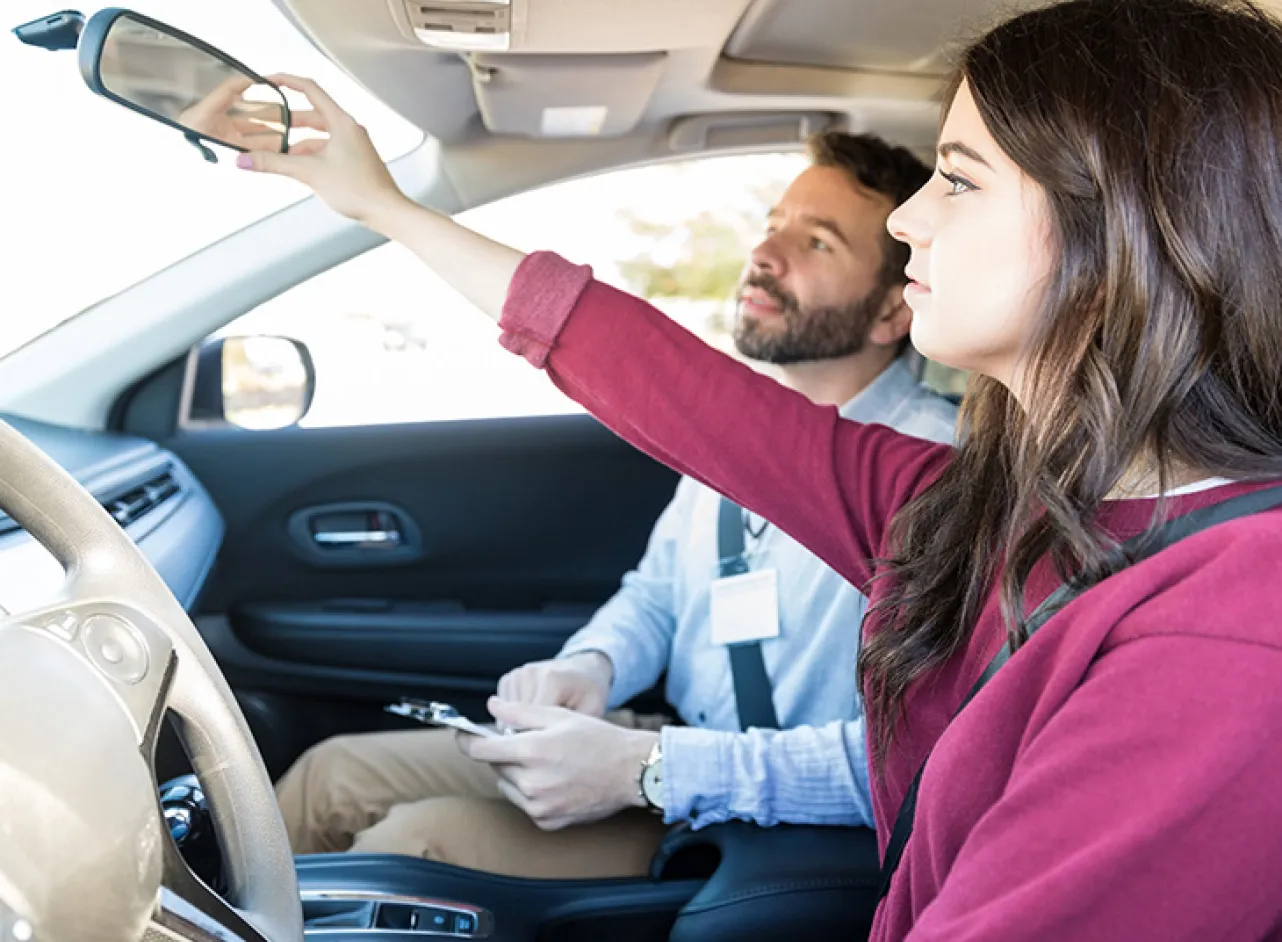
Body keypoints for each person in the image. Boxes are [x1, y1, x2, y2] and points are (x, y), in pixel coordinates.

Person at [238, 0, 1282, 935]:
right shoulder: (973, 508)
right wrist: (385, 207)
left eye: (958, 180)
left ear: (1123, 237)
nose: (910, 218)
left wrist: (653, 770)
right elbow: (649, 372)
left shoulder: (1223, 638)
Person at [273, 131, 959, 879]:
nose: (766, 254)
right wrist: (590, 668)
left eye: (818, 242)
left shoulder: (936, 476)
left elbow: (914, 765)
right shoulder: (738, 429)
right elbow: (658, 596)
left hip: (772, 824)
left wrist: (649, 766)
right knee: (330, 776)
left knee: (412, 844)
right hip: (668, 742)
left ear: (893, 311)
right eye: (773, 226)